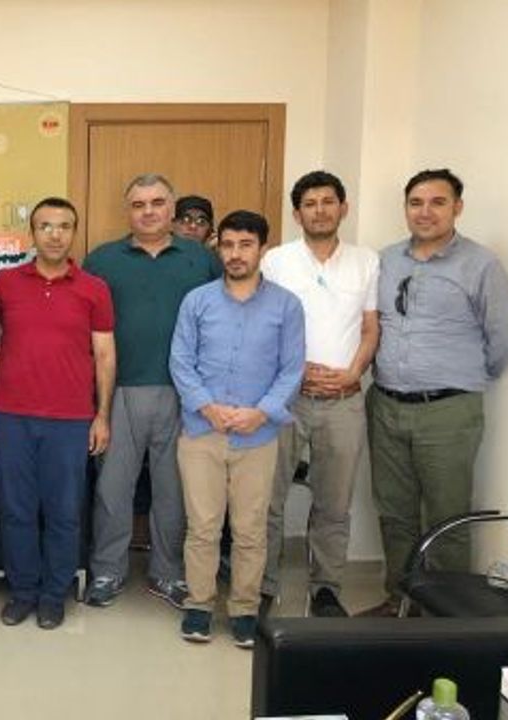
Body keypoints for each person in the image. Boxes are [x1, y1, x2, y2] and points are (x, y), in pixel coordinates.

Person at [360, 168, 508, 617]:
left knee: (448, 517)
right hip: (386, 404)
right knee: (394, 513)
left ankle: (448, 617)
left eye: (438, 202)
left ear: (458, 207)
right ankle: (400, 602)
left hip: (449, 411)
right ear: (405, 208)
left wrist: (461, 375)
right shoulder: (386, 260)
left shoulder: (480, 264)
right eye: (416, 202)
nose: (425, 212)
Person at [82, 174, 221, 611]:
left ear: (171, 208)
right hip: (119, 390)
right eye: (139, 204)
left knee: (173, 490)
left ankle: (168, 572)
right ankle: (107, 570)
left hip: (186, 393)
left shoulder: (202, 260)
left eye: (157, 202)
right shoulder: (102, 259)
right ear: (128, 210)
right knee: (112, 488)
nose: (148, 211)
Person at [170, 210, 304, 647]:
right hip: (201, 432)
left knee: (250, 529)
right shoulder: (197, 301)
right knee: (203, 526)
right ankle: (199, 605)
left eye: (245, 245)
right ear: (218, 247)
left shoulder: (286, 305)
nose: (235, 254)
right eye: (227, 245)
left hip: (257, 435)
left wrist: (260, 413)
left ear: (262, 248)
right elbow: (181, 361)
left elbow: (291, 369)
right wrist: (206, 406)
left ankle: (244, 609)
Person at [0, 196, 115, 630]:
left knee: (63, 513)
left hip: (70, 419)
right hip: (10, 416)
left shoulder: (94, 288)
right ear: (32, 233)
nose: (55, 234)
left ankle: (53, 595)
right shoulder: (4, 283)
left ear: (74, 233)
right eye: (45, 226)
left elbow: (104, 355)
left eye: (64, 226)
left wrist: (102, 416)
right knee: (16, 511)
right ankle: (23, 592)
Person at [259, 171, 379, 617]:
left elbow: (370, 327)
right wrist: (293, 370)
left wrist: (353, 373)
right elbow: (262, 324)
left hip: (343, 400)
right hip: (285, 398)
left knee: (334, 502)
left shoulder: (366, 261)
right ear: (297, 214)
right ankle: (263, 585)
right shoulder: (276, 261)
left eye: (328, 202)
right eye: (310, 204)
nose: (320, 210)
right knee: (268, 499)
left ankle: (326, 589)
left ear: (343, 208)